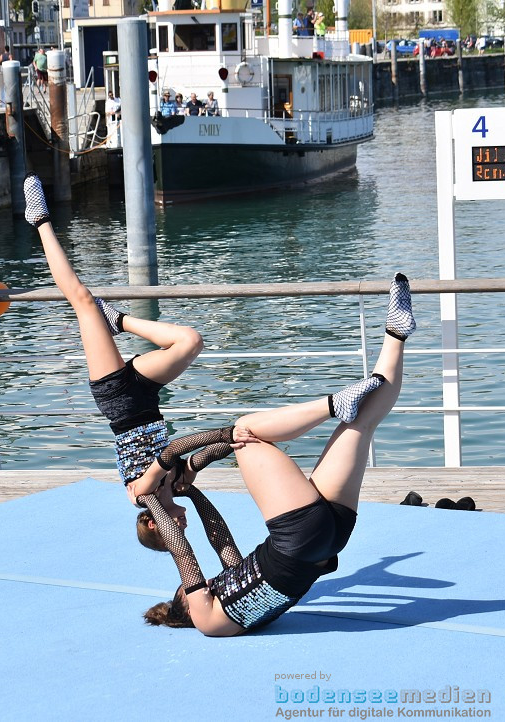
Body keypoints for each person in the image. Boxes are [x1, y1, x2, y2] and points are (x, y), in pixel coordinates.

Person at [135, 274, 417, 635]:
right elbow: (182, 553)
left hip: (327, 539)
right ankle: (331, 405)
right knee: (247, 431)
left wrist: (193, 491)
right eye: (190, 590)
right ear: (185, 607)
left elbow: (219, 537)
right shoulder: (207, 621)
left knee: (362, 423)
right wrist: (151, 500)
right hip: (297, 540)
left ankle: (396, 335)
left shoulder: (230, 604)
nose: (200, 582)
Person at [21, 172, 207, 517]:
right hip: (147, 398)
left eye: (178, 527)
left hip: (120, 400)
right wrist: (222, 449)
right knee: (190, 340)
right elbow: (201, 453)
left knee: (82, 300)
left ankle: (40, 221)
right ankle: (118, 320)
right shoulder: (179, 482)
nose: (183, 521)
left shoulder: (141, 495)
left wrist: (191, 463)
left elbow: (169, 454)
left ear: (155, 526)